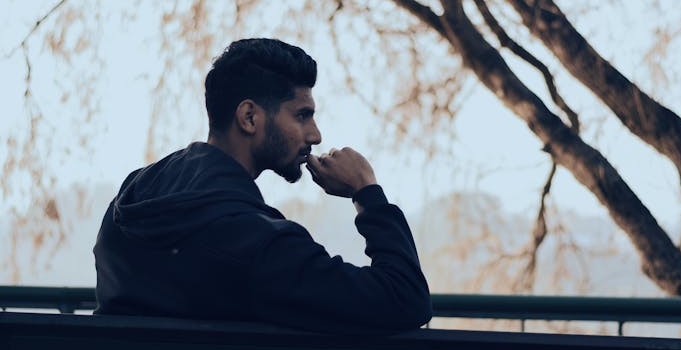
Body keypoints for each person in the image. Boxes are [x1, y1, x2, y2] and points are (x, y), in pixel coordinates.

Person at [93, 38, 432, 334]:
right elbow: (404, 298)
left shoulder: (130, 199)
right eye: (302, 115)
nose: (315, 135)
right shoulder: (258, 245)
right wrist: (367, 192)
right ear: (250, 118)